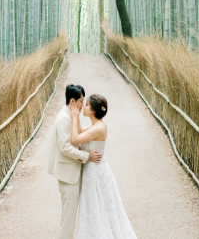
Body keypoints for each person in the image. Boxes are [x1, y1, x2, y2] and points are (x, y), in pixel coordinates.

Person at [70, 94, 137, 239]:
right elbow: (81, 131)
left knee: (97, 206)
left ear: (93, 110)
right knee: (95, 206)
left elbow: (75, 138)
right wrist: (76, 116)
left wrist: (75, 118)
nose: (84, 107)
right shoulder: (96, 124)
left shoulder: (99, 128)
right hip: (93, 170)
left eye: (86, 105)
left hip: (95, 172)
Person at [48, 84, 103, 239]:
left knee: (70, 217)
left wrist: (76, 118)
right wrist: (87, 156)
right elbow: (65, 147)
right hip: (68, 176)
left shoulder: (69, 117)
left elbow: (78, 134)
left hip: (71, 174)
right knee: (68, 220)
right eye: (81, 101)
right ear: (73, 101)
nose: (82, 105)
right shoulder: (64, 118)